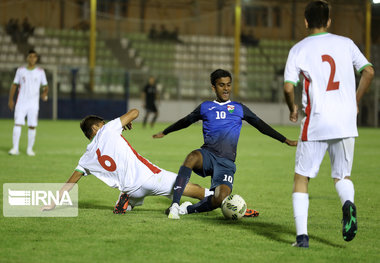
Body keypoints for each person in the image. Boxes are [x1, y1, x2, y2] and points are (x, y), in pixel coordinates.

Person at [283, 0, 375, 248]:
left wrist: (292, 107)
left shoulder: (299, 49)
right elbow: (368, 71)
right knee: (342, 176)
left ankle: (302, 238)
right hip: (345, 121)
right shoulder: (346, 43)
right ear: (329, 21)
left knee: (302, 178)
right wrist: (355, 100)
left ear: (305, 21)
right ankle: (348, 205)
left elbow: (288, 87)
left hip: (316, 121)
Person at [153, 69, 297, 219]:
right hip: (208, 155)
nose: (226, 88)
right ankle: (175, 205)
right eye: (222, 85)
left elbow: (261, 125)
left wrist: (284, 139)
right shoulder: (206, 107)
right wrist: (166, 131)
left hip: (226, 163)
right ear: (213, 87)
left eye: (228, 85)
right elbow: (185, 121)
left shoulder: (239, 108)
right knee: (192, 157)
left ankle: (186, 210)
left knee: (220, 199)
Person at [41, 109, 214, 214]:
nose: (105, 124)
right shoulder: (108, 129)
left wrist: (52, 203)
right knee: (194, 189)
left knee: (131, 190)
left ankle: (127, 202)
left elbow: (70, 183)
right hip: (149, 178)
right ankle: (221, 199)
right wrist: (125, 123)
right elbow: (135, 112)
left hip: (131, 189)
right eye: (102, 123)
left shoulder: (86, 158)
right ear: (96, 127)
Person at [8, 50, 49, 156]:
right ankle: (15, 148)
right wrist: (10, 99)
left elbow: (45, 86)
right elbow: (14, 85)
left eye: (34, 57)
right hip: (21, 102)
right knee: (18, 124)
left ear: (36, 59)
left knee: (32, 125)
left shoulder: (40, 71)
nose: (32, 58)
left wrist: (44, 93)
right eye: (30, 56)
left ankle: (29, 149)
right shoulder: (20, 70)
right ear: (27, 58)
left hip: (33, 104)